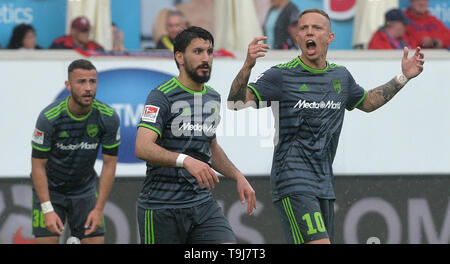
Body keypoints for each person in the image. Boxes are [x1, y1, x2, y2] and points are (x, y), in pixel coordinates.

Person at [227, 9, 424, 244]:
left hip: (324, 183)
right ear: (298, 38)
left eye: (317, 28)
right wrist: (247, 65)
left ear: (330, 37)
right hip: (293, 180)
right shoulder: (281, 75)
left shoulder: (340, 77)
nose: (309, 32)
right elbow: (235, 103)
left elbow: (368, 102)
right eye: (303, 28)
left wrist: (403, 77)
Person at [135, 26, 256, 244]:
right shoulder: (161, 96)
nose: (206, 58)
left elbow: (211, 147)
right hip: (161, 207)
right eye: (198, 51)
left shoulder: (212, 97)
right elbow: (142, 147)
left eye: (209, 52)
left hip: (202, 205)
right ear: (179, 57)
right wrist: (185, 161)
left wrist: (238, 176)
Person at [31, 59, 121, 244]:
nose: (88, 88)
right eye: (81, 82)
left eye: (92, 81)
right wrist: (47, 209)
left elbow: (110, 164)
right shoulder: (49, 118)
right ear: (68, 85)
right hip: (51, 190)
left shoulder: (108, 117)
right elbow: (38, 166)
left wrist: (98, 209)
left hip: (84, 191)